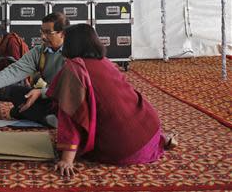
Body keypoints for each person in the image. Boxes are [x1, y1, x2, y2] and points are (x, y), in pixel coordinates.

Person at [48, 24, 177, 177]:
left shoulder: (74, 68)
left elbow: (70, 114)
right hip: (150, 129)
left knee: (65, 105)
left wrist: (67, 159)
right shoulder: (105, 62)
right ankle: (162, 140)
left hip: (125, 149)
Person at [0, 12, 70, 126]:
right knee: (15, 92)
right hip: (50, 96)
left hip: (68, 97)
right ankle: (47, 116)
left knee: (17, 111)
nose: (43, 37)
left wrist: (42, 92)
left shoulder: (73, 51)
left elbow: (73, 88)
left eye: (48, 33)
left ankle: (44, 116)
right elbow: (15, 70)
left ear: (62, 33)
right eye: (42, 32)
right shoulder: (39, 52)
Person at [0, 23, 30, 101]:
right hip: (3, 72)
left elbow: (17, 64)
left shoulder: (12, 42)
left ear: (1, 37)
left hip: (16, 73)